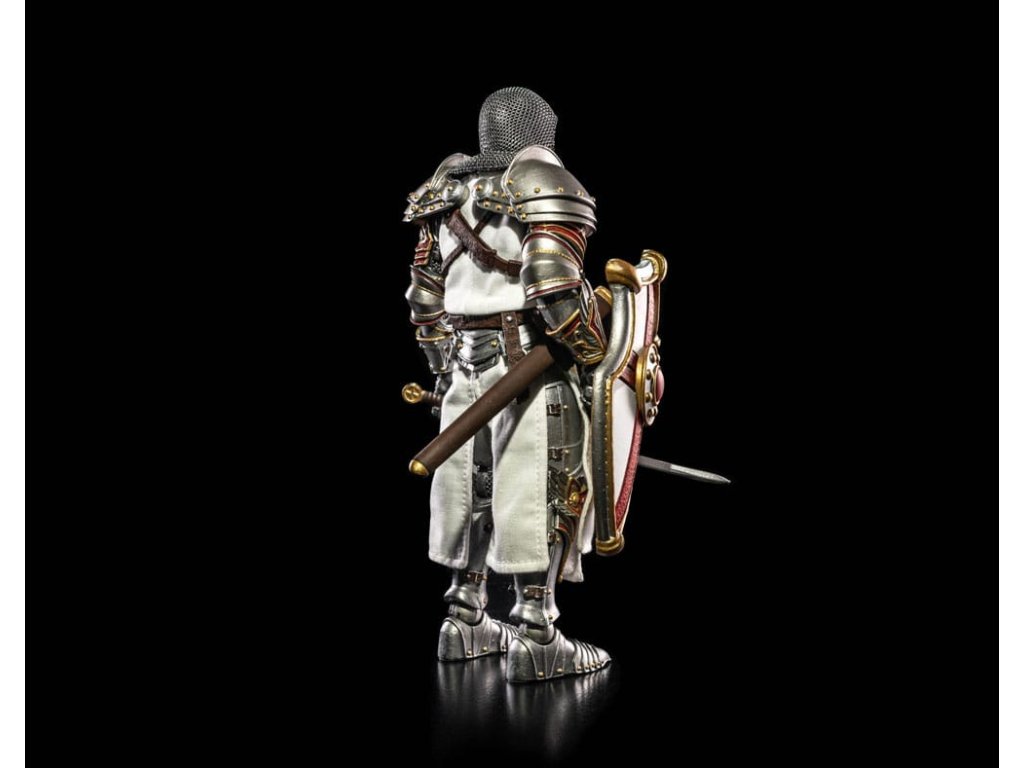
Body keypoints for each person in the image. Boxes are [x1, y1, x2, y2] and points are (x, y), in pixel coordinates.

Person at [404, 87, 610, 683]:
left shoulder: (446, 191)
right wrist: (594, 359)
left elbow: (424, 296)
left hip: (463, 369)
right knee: (546, 488)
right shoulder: (544, 182)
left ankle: (464, 620)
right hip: (530, 372)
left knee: (473, 488)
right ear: (539, 131)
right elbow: (554, 286)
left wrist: (443, 367)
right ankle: (537, 635)